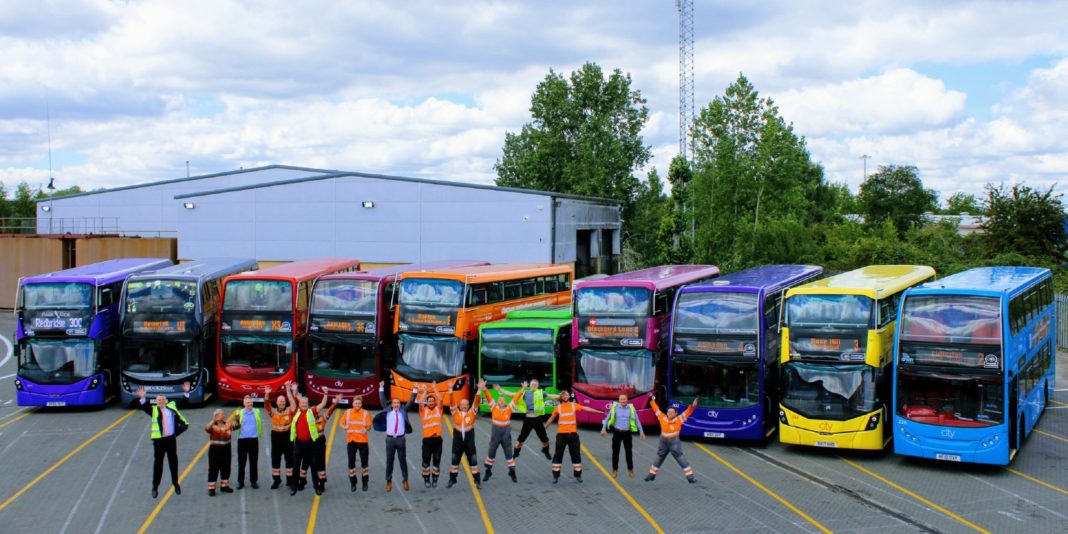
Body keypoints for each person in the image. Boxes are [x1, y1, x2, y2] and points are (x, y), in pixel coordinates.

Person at [137, 382, 190, 499]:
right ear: (156, 402)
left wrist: (186, 392)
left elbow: (183, 403)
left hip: (171, 439)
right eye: (159, 400)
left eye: (162, 400)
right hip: (159, 441)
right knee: (158, 464)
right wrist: (142, 397)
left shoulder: (171, 407)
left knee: (173, 462)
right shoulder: (154, 410)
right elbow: (145, 407)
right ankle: (155, 487)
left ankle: (175, 483)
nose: (160, 402)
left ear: (166, 401)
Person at [543, 389, 603, 484]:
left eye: (566, 394)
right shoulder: (558, 407)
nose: (565, 396)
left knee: (576, 454)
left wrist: (599, 412)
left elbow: (586, 408)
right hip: (561, 435)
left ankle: (578, 475)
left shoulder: (573, 405)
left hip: (573, 435)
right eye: (563, 395)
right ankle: (555, 476)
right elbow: (551, 418)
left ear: (569, 396)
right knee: (558, 455)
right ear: (561, 397)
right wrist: (544, 428)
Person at [644, 395, 699, 483]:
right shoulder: (662, 417)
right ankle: (651, 475)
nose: (669, 413)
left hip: (674, 442)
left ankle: (690, 477)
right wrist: (652, 401)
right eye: (668, 412)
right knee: (659, 457)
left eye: (671, 412)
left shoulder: (679, 419)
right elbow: (656, 409)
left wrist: (693, 406)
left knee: (680, 458)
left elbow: (688, 411)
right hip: (663, 441)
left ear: (676, 413)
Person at [287, 383, 329, 496]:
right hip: (299, 443)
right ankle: (294, 486)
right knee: (296, 464)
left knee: (313, 465)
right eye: (302, 403)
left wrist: (325, 392)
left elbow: (323, 403)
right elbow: (291, 400)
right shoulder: (296, 411)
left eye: (306, 403)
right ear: (299, 404)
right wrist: (288, 389)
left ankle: (317, 486)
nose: (304, 405)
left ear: (308, 404)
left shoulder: (312, 411)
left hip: (310, 443)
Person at [374, 381, 416, 492]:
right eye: (394, 403)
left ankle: (405, 480)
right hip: (390, 439)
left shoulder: (403, 411)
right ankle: (388, 481)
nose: (396, 404)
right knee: (389, 461)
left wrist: (415, 390)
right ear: (391, 404)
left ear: (400, 404)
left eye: (398, 403)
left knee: (403, 461)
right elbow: (382, 401)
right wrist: (381, 388)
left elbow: (411, 402)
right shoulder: (387, 412)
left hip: (401, 439)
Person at [480, 380, 524, 483]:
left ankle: (512, 473)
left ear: (505, 402)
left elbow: (516, 398)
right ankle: (488, 472)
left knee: (509, 454)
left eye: (503, 400)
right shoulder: (493, 407)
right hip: (495, 435)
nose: (501, 401)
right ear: (497, 402)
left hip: (505, 435)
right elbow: (488, 397)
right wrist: (484, 388)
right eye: (500, 400)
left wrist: (522, 389)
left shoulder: (509, 408)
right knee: (491, 452)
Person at [446, 381, 485, 489]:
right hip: (458, 441)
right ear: (459, 405)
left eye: (466, 404)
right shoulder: (455, 412)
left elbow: (476, 401)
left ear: (468, 406)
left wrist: (479, 389)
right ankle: (452, 479)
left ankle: (477, 481)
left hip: (469, 441)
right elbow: (452, 401)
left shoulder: (472, 412)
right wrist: (450, 390)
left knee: (473, 460)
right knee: (454, 459)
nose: (464, 406)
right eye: (462, 404)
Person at [599, 393, 646, 478]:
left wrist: (641, 432)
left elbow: (637, 421)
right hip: (617, 432)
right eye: (621, 399)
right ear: (619, 400)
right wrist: (603, 429)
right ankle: (614, 470)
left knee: (629, 452)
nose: (623, 400)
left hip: (627, 433)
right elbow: (607, 418)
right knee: (615, 453)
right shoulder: (615, 408)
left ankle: (630, 469)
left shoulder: (631, 409)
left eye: (624, 399)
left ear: (627, 400)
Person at [513, 378, 558, 461]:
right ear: (530, 385)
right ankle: (516, 453)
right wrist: (501, 390)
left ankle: (546, 451)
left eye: (535, 384)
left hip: (538, 420)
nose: (534, 385)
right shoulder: (525, 393)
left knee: (545, 440)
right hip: (528, 420)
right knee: (520, 440)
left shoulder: (541, 393)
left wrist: (560, 396)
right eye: (532, 384)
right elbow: (513, 395)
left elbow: (551, 396)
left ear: (538, 386)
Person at [263, 383, 296, 489]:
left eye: (283, 401)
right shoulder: (272, 411)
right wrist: (267, 394)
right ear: (276, 403)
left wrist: (288, 389)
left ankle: (290, 480)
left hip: (288, 436)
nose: (282, 403)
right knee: (275, 459)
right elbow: (266, 404)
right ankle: (276, 480)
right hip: (276, 437)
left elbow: (293, 402)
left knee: (289, 458)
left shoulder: (289, 410)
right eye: (280, 401)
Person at [340, 392, 372, 492]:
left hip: (362, 441)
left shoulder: (366, 413)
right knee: (351, 462)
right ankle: (353, 483)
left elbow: (369, 426)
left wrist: (366, 429)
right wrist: (344, 426)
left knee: (364, 463)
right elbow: (341, 423)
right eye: (356, 403)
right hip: (351, 441)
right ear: (352, 403)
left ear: (361, 404)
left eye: (359, 403)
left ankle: (365, 483)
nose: (357, 405)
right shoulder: (347, 412)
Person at [415, 383, 444, 488]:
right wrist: (426, 392)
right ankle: (426, 478)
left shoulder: (439, 410)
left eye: (433, 401)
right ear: (427, 402)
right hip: (427, 440)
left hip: (437, 440)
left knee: (437, 460)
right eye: (429, 401)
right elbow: (420, 402)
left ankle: (435, 478)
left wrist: (435, 389)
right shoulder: (424, 411)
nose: (431, 402)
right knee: (426, 461)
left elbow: (440, 400)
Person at [231, 394, 262, 489]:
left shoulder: (257, 411)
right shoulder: (239, 413)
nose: (250, 404)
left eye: (251, 402)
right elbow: (235, 426)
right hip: (242, 440)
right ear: (244, 403)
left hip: (253, 439)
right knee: (241, 462)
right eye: (248, 402)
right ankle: (240, 482)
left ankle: (254, 481)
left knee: (253, 462)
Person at [312, 388, 339, 491]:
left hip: (320, 441)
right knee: (312, 462)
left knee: (321, 462)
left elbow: (330, 411)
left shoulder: (322, 418)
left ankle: (322, 482)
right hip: (311, 442)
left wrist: (335, 402)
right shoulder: (308, 419)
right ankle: (307, 480)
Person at [204, 409, 234, 496]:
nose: (224, 416)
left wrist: (238, 417)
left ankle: (224, 486)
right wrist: (213, 420)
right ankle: (211, 488)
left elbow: (236, 426)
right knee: (213, 469)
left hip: (226, 449)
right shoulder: (212, 426)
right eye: (221, 414)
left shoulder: (228, 424)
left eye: (223, 414)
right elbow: (206, 428)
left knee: (226, 467)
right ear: (216, 416)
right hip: (215, 450)